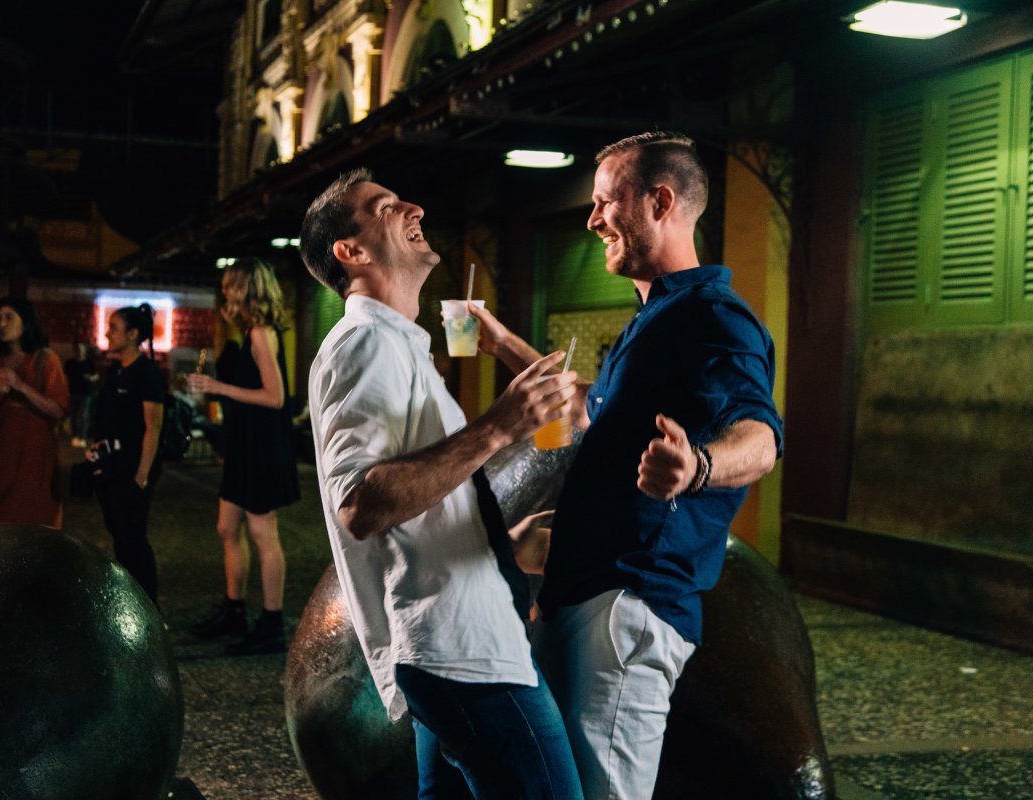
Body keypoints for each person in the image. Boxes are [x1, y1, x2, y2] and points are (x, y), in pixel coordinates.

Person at [467, 131, 784, 800]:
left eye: (605, 202)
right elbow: (586, 404)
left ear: (659, 201)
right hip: (587, 593)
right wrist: (500, 343)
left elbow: (761, 435)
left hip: (631, 601)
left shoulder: (713, 318)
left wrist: (696, 466)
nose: (591, 220)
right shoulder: (658, 316)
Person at [300, 169, 584, 799]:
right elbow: (361, 504)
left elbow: (423, 498)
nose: (413, 205)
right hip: (465, 652)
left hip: (452, 641)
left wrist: (498, 540)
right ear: (351, 251)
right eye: (385, 206)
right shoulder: (365, 344)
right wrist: (498, 426)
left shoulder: (399, 346)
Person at [187, 259, 300, 656]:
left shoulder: (261, 333)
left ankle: (272, 623)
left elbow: (275, 397)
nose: (224, 293)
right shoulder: (247, 331)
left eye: (228, 286)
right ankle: (234, 609)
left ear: (244, 289)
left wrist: (217, 386)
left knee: (263, 533)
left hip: (261, 445)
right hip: (244, 443)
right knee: (226, 527)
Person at [0, 297, 70, 528]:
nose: (2, 324)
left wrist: (22, 387)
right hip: (1, 453)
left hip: (34, 454)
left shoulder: (45, 360)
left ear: (26, 322)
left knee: (30, 516)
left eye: (9, 317)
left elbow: (58, 409)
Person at [90, 304, 166, 604]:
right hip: (111, 466)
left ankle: (149, 603)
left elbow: (154, 425)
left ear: (133, 334)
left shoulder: (147, 373)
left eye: (114, 328)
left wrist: (142, 475)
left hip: (132, 468)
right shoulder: (116, 370)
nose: (107, 333)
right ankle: (131, 600)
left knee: (132, 537)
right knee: (119, 536)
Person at [64, 342, 98, 447]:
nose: (80, 352)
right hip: (73, 392)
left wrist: (91, 378)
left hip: (86, 393)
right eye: (78, 350)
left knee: (83, 416)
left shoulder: (89, 363)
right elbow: (64, 377)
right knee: (74, 416)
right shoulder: (70, 363)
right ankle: (75, 437)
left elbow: (96, 376)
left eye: (81, 350)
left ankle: (82, 437)